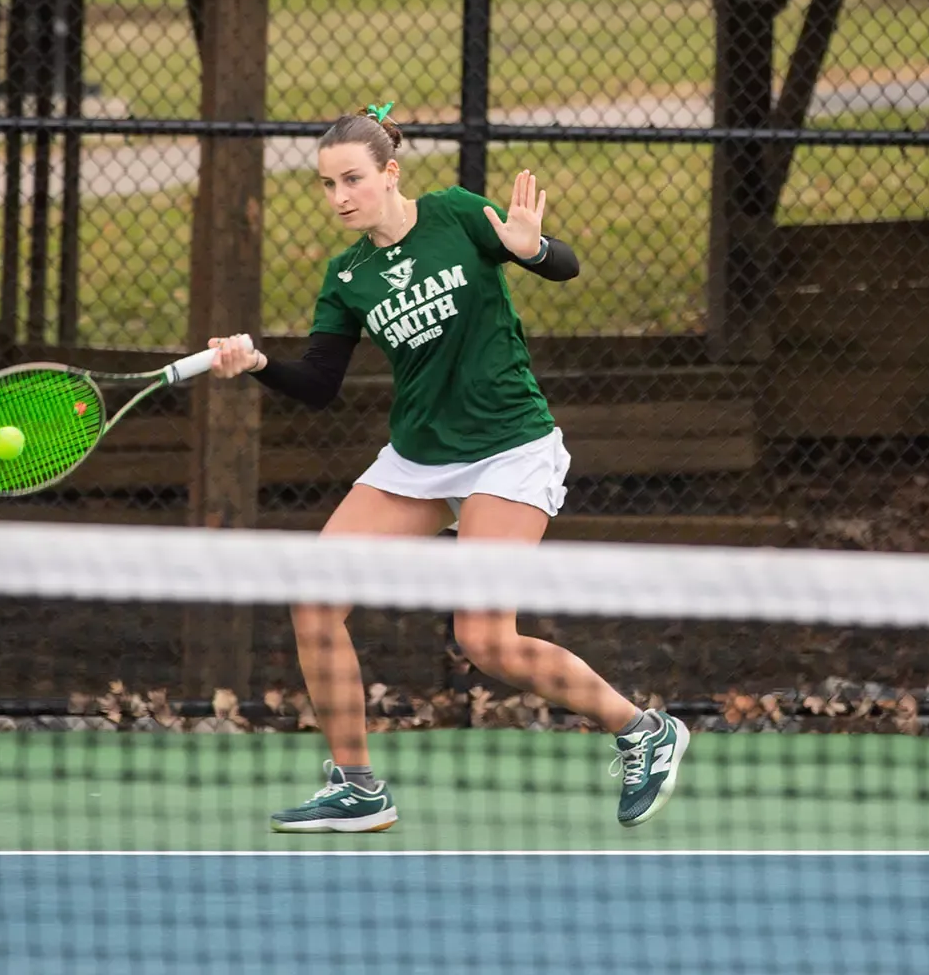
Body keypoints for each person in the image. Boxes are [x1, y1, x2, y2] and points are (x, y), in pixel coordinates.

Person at [204, 103, 689, 834]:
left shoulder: (457, 215)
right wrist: (259, 363)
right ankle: (358, 785)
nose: (339, 197)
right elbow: (319, 385)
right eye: (327, 184)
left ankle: (643, 730)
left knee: (485, 639)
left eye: (352, 180)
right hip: (420, 460)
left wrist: (529, 249)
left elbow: (563, 264)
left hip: (509, 449)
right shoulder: (348, 277)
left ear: (390, 173)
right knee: (313, 595)